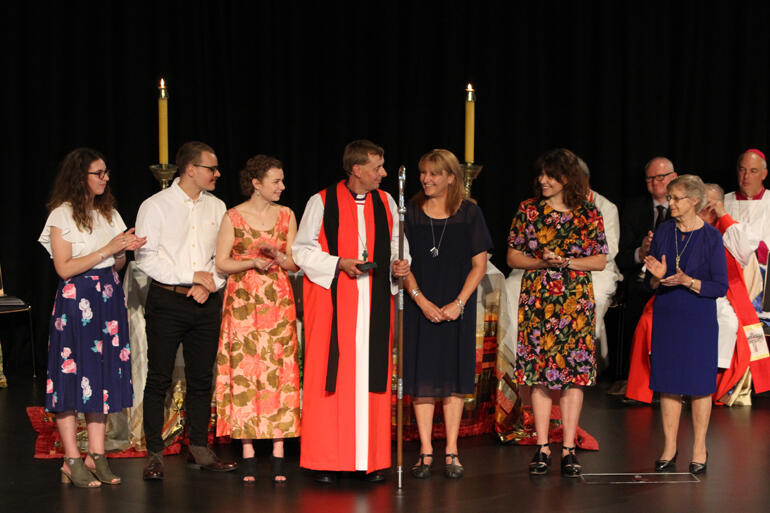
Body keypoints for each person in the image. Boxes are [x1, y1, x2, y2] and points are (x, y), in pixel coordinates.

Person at [292, 139, 410, 483]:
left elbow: (400, 246)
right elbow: (301, 251)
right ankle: (327, 461)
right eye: (377, 167)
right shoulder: (321, 201)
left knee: (371, 379)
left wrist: (400, 265)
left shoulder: (387, 202)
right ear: (357, 169)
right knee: (331, 377)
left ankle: (369, 461)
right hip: (334, 303)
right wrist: (339, 262)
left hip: (374, 303)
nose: (383, 174)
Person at [38, 148, 146, 487]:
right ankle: (71, 459)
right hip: (77, 300)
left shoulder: (109, 213)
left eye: (106, 172)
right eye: (98, 173)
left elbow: (115, 265)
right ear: (79, 176)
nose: (105, 178)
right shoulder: (62, 215)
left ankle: (96, 454)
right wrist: (108, 249)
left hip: (108, 298)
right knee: (72, 378)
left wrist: (123, 251)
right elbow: (64, 267)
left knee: (100, 376)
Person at [135, 141, 237, 480]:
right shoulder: (156, 206)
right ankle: (154, 453)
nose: (217, 174)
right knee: (159, 377)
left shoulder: (218, 206)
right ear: (190, 169)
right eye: (212, 168)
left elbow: (221, 256)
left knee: (200, 378)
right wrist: (188, 277)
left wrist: (208, 283)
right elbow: (147, 258)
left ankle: (199, 447)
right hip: (167, 300)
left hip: (206, 301)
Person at [507, 148, 607, 477]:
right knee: (538, 375)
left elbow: (599, 260)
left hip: (574, 304)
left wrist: (565, 262)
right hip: (537, 300)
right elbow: (512, 257)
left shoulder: (588, 213)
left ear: (567, 178)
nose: (543, 180)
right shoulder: (529, 210)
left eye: (551, 175)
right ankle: (541, 448)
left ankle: (567, 448)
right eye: (541, 175)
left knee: (572, 377)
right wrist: (541, 262)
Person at [402, 149, 492, 480]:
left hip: (457, 308)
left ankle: (451, 450)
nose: (426, 179)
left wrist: (459, 302)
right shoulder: (410, 212)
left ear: (451, 177)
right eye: (423, 173)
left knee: (454, 379)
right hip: (419, 306)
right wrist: (421, 300)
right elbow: (403, 263)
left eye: (434, 174)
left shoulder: (469, 213)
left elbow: (479, 265)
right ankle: (426, 451)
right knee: (423, 379)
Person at [214, 155, 301, 483]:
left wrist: (278, 256)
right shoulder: (233, 216)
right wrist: (252, 263)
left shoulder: (287, 215)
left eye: (281, 180)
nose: (282, 186)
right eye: (276, 181)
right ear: (256, 183)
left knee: (279, 371)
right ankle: (248, 451)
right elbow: (222, 262)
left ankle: (279, 451)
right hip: (244, 302)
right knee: (246, 372)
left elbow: (294, 264)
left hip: (277, 302)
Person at [642, 175, 728, 475]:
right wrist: (658, 276)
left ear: (694, 200)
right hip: (668, 313)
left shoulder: (711, 237)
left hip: (698, 318)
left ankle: (699, 447)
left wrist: (688, 281)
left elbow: (720, 287)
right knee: (668, 384)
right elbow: (652, 280)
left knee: (699, 386)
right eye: (670, 197)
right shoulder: (664, 230)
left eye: (677, 198)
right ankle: (669, 446)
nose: (671, 202)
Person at [613, 157, 678, 391]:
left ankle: (669, 376)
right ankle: (633, 377)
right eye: (650, 178)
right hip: (639, 278)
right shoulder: (632, 209)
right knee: (637, 293)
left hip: (673, 276)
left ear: (673, 177)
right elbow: (619, 256)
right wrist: (641, 251)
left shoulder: (683, 206)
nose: (655, 182)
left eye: (660, 177)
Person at [723, 149, 770, 309]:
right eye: (742, 170)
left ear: (764, 174)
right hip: (730, 283)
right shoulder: (723, 202)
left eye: (753, 171)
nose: (746, 176)